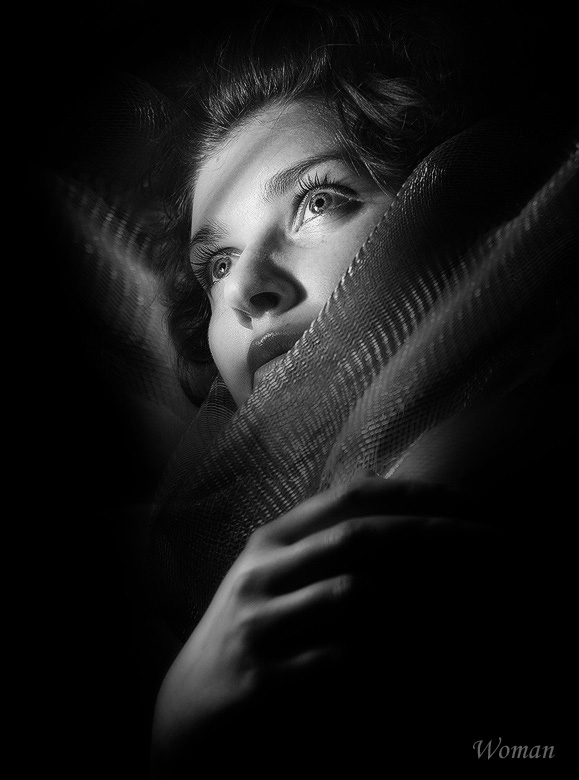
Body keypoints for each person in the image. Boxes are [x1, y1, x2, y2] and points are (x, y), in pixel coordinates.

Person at [54, 0, 574, 774]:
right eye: (216, 263)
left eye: (318, 202)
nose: (245, 289)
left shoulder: (508, 447)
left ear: (450, 202)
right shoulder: (162, 577)